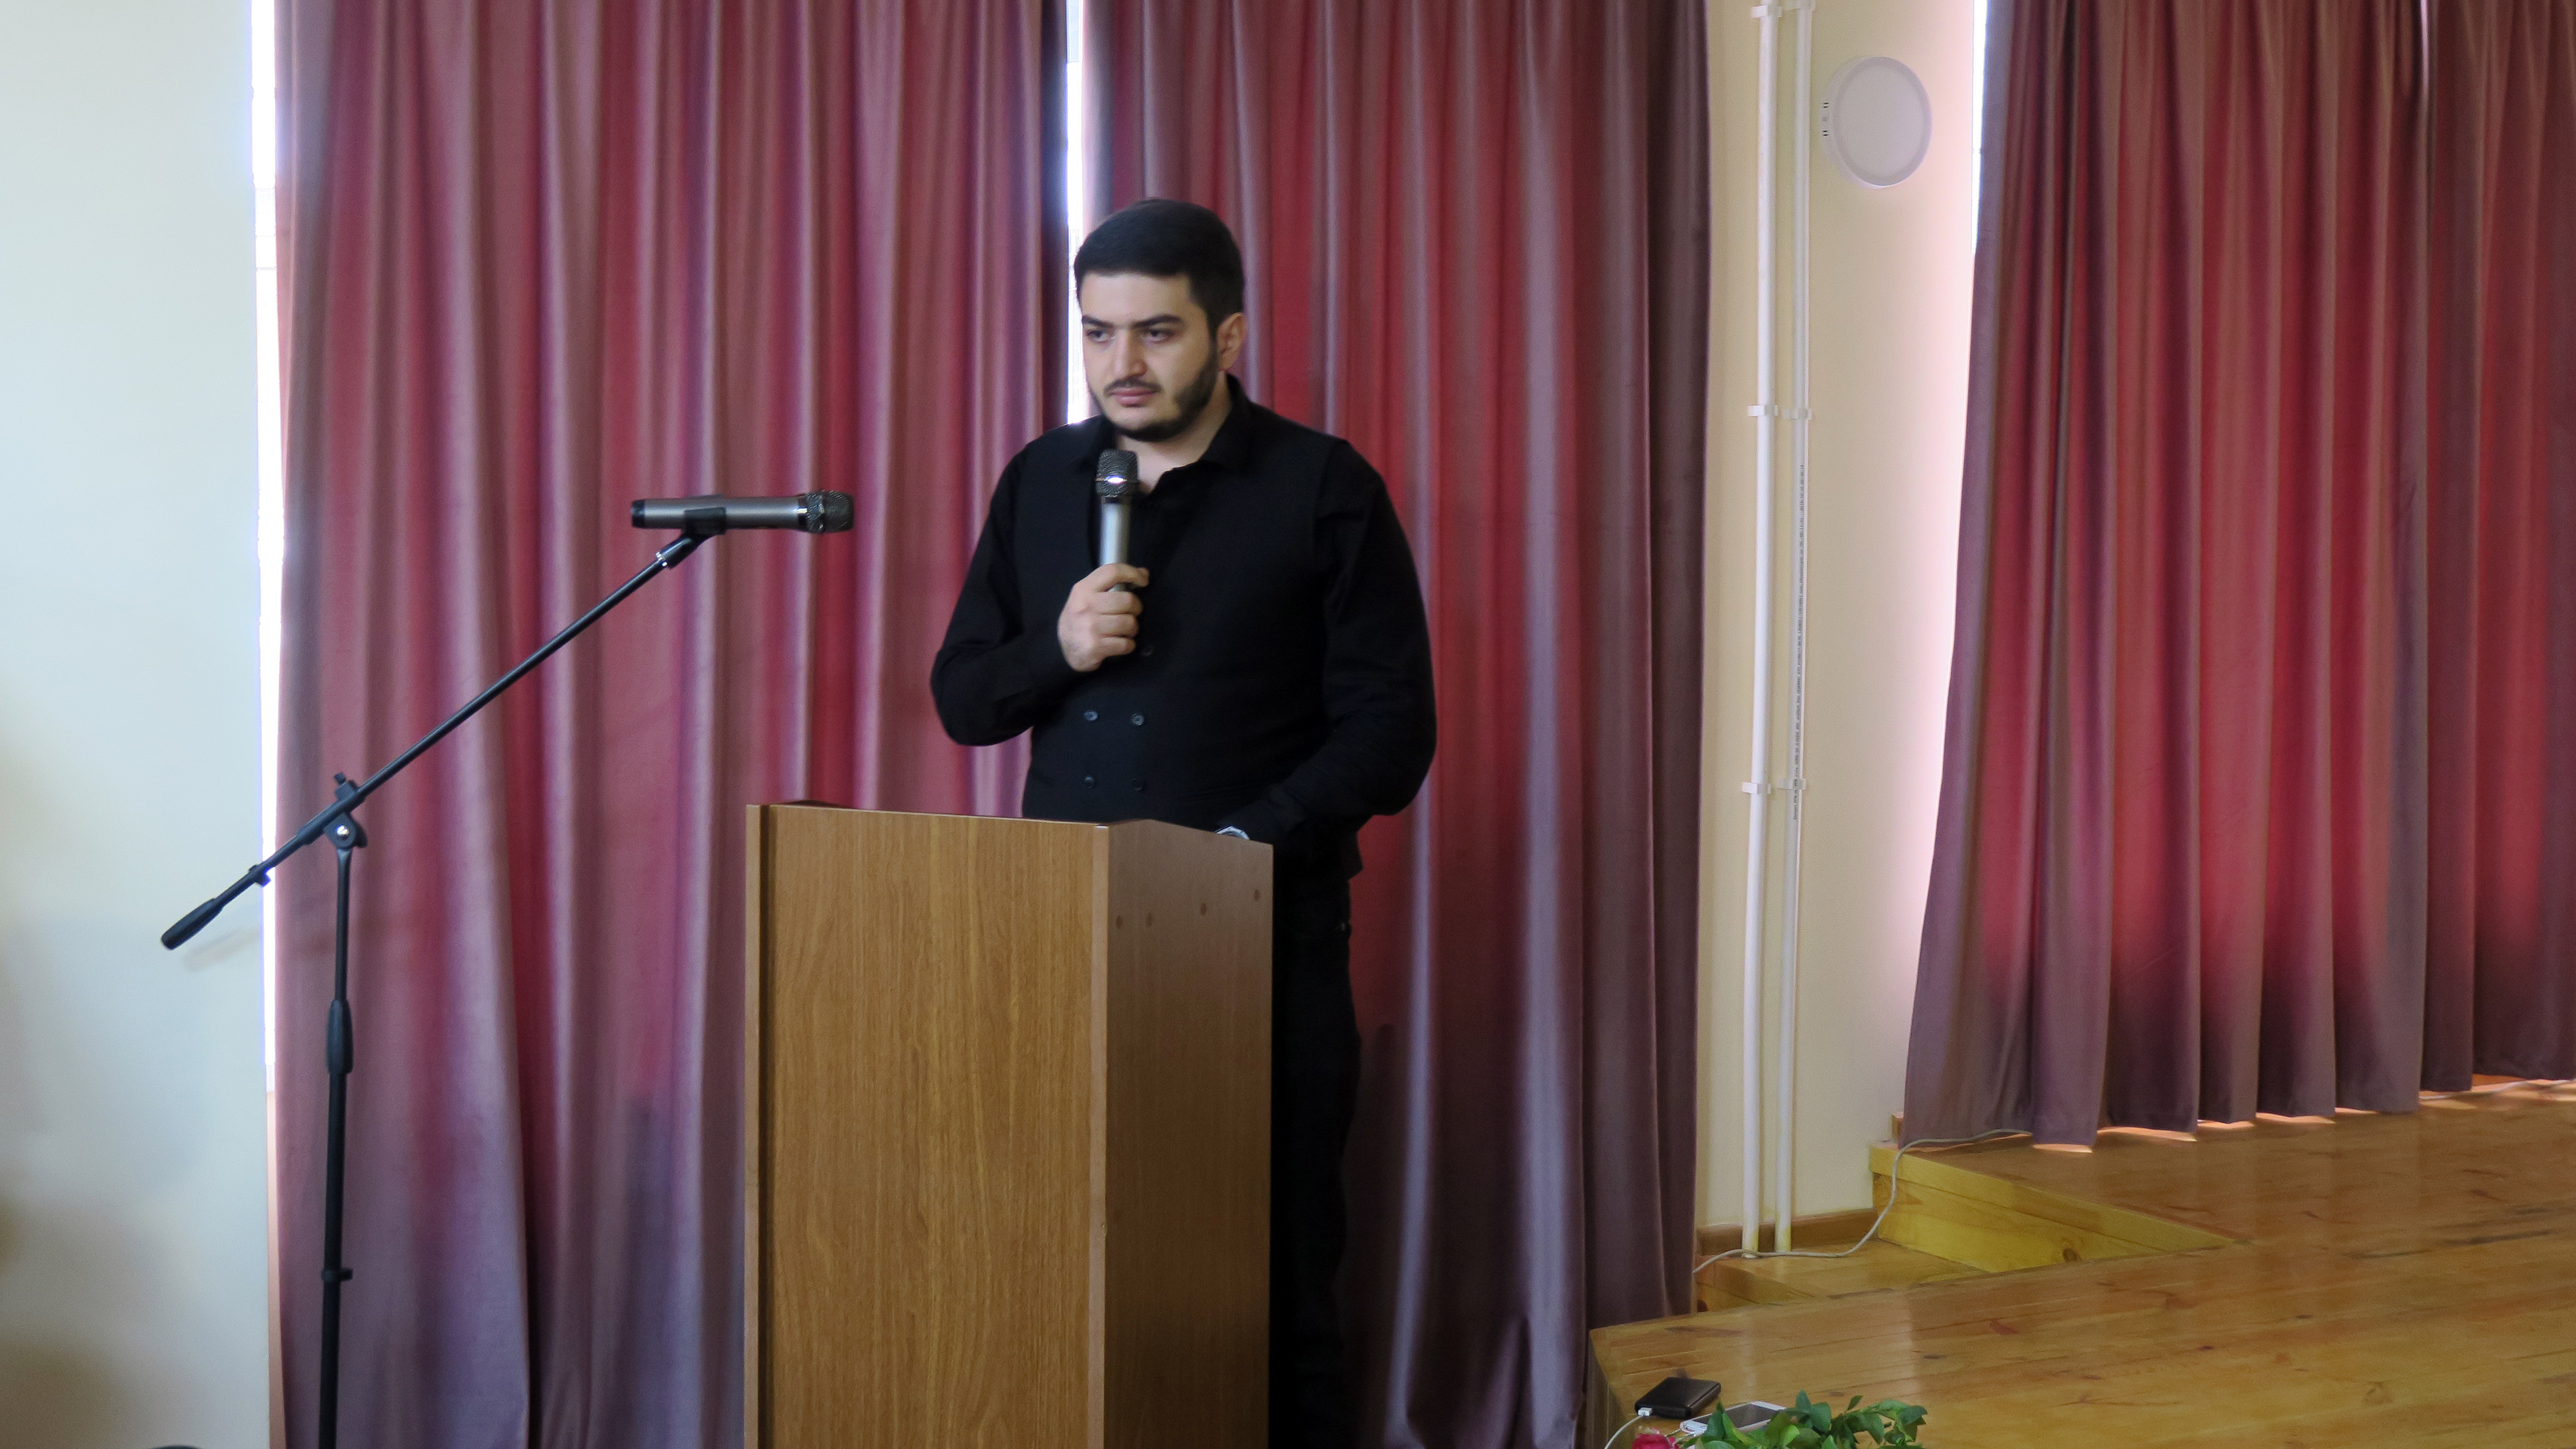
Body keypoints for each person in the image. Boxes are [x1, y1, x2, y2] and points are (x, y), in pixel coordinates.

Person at [931, 198, 1436, 1448]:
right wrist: (1053, 649)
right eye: (1097, 332)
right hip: (1059, 950)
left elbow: (1392, 729)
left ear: (1229, 334)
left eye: (1156, 332)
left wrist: (1238, 850)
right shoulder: (1041, 481)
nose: (1122, 364)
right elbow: (963, 699)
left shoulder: (1323, 488)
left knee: (1272, 1283)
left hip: (1259, 954)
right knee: (1064, 1259)